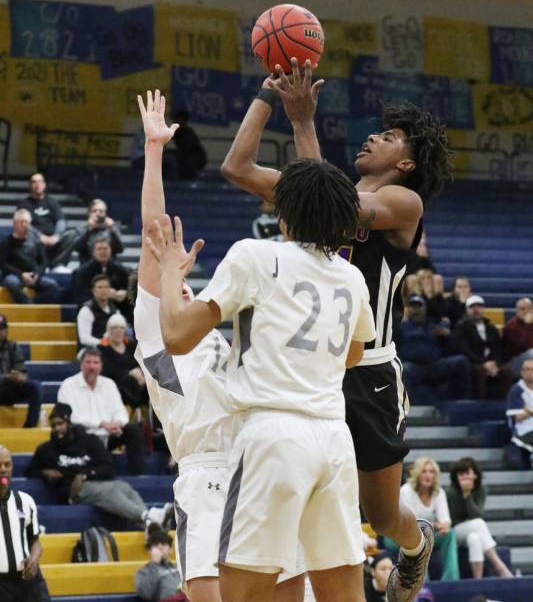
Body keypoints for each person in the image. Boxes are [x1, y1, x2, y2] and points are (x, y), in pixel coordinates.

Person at [220, 58, 453, 602]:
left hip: (369, 370)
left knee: (378, 511)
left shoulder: (403, 203)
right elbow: (236, 168)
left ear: (408, 161)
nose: (373, 136)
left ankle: (415, 542)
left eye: (389, 136)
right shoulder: (330, 188)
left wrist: (304, 122)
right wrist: (267, 95)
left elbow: (329, 208)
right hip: (313, 370)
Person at [149, 112, 377, 601]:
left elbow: (176, 337)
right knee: (343, 591)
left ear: (284, 209)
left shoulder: (255, 255)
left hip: (273, 436)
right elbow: (353, 353)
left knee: (244, 594)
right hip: (335, 440)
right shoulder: (349, 276)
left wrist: (171, 276)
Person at [134, 90, 306, 602]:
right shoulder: (154, 335)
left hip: (259, 464)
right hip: (206, 471)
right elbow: (153, 231)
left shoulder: (218, 338)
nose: (188, 285)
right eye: (178, 283)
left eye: (191, 284)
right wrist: (154, 149)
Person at [26, 403, 170, 527]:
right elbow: (29, 471)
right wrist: (45, 472)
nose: (57, 429)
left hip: (96, 482)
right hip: (73, 491)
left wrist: (85, 475)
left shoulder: (89, 440)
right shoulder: (46, 449)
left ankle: (149, 524)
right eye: (53, 426)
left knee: (124, 487)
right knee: (110, 492)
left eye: (60, 424)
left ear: (68, 422)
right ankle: (148, 515)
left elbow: (108, 466)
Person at [57, 347, 145, 474]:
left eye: (95, 363)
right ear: (81, 365)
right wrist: (101, 424)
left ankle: (139, 477)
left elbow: (120, 411)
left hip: (109, 434)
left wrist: (117, 423)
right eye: (88, 362)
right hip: (83, 436)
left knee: (133, 430)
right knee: (77, 430)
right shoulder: (68, 385)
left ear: (101, 366)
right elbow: (68, 417)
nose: (92, 367)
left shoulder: (109, 384)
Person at [387, 457, 459, 581]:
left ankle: (451, 578)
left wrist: (445, 525)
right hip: (398, 537)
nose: (428, 475)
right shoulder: (406, 491)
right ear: (417, 474)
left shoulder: (439, 492)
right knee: (419, 537)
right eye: (424, 471)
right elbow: (412, 525)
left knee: (450, 534)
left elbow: (445, 520)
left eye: (432, 472)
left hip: (426, 534)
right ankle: (423, 582)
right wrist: (436, 525)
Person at [446, 457, 513, 579]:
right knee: (478, 524)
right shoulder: (451, 492)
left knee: (475, 538)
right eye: (461, 474)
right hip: (453, 533)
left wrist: (467, 495)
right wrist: (465, 494)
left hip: (471, 531)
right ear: (456, 477)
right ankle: (498, 565)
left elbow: (476, 513)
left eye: (467, 474)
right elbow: (455, 520)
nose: (465, 478)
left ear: (475, 475)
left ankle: (478, 579)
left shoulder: (481, 489)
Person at [396, 295, 471, 403]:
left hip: (435, 365)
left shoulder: (434, 325)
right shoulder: (401, 327)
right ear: (408, 310)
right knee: (404, 370)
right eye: (413, 306)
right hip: (413, 367)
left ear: (425, 309)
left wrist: (448, 336)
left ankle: (463, 403)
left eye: (419, 306)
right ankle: (404, 408)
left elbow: (452, 347)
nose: (416, 309)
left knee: (461, 361)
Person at [0, 445, 44, 602]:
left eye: (7, 464)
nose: (3, 469)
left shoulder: (25, 501)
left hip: (25, 582)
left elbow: (35, 541)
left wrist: (33, 559)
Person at [452, 295, 514, 400]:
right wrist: (483, 363)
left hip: (491, 362)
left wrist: (494, 363)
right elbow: (465, 350)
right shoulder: (461, 328)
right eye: (472, 307)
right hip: (473, 362)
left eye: (479, 307)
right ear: (467, 310)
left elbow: (498, 348)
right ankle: (480, 406)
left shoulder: (491, 328)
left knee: (506, 371)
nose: (476, 310)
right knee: (480, 372)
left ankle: (505, 404)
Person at [16, 172, 78, 269]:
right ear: (30, 185)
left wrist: (56, 236)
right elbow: (25, 225)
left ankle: (57, 265)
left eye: (40, 182)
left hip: (53, 238)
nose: (37, 184)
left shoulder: (52, 202)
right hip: (35, 239)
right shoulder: (24, 204)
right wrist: (41, 237)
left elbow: (61, 221)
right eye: (34, 182)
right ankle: (38, 266)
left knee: (73, 234)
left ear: (44, 185)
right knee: (27, 235)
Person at [0, 208, 59, 304]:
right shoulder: (6, 243)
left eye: (27, 222)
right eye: (22, 222)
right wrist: (21, 274)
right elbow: (2, 264)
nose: (25, 225)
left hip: (33, 276)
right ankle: (29, 305)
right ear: (15, 223)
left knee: (52, 285)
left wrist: (37, 274)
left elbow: (44, 262)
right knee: (12, 283)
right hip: (14, 275)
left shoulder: (36, 242)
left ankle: (33, 304)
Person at [0, 313, 43, 427]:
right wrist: (8, 377)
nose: (0, 332)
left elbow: (20, 369)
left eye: (2, 328)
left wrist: (21, 378)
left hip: (8, 389)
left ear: (6, 330)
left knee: (36, 386)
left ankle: (29, 427)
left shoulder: (12, 346)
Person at [100, 313, 147, 410]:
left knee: (152, 382)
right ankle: (136, 412)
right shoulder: (102, 349)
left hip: (137, 382)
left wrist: (142, 375)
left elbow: (141, 363)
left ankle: (151, 418)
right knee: (130, 381)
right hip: (115, 385)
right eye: (114, 328)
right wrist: (130, 373)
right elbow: (107, 370)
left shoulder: (131, 346)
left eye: (121, 328)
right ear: (108, 330)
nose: (118, 331)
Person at [73, 239, 130, 309]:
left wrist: (123, 294)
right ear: (93, 252)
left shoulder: (121, 270)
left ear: (110, 250)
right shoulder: (83, 271)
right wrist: (102, 294)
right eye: (99, 249)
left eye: (105, 248)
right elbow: (81, 296)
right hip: (92, 310)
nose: (103, 251)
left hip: (118, 309)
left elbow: (129, 290)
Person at [135, 524, 185, 602]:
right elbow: (146, 595)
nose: (160, 547)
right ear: (149, 551)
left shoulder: (179, 567)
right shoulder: (143, 572)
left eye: (164, 544)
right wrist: (155, 564)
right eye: (155, 545)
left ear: (171, 549)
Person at [74, 198, 124, 265]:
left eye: (101, 211)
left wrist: (112, 230)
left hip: (109, 267)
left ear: (105, 214)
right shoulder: (82, 228)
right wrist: (88, 230)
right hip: (87, 267)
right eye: (94, 211)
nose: (97, 214)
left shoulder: (112, 228)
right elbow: (77, 248)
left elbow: (120, 249)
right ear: (89, 213)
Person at [76, 274, 119, 350]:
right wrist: (103, 343)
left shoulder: (114, 310)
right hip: (89, 350)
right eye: (100, 287)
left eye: (106, 287)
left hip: (108, 348)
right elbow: (84, 338)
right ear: (93, 291)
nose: (103, 290)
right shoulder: (86, 310)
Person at [505, 358, 533, 469]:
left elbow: (526, 413)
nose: (530, 372)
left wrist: (529, 411)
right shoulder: (516, 390)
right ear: (522, 372)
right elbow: (518, 417)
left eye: (532, 369)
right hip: (523, 429)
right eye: (527, 369)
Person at [171, 109, 207, 180]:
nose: (176, 123)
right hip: (187, 159)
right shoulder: (175, 133)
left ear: (184, 122)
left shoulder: (188, 133)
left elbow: (185, 149)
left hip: (195, 159)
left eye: (178, 121)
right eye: (175, 121)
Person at [503, 297, 533, 378]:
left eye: (529, 308)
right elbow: (524, 345)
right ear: (517, 311)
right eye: (522, 309)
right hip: (513, 362)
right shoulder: (511, 326)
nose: (526, 312)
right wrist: (528, 325)